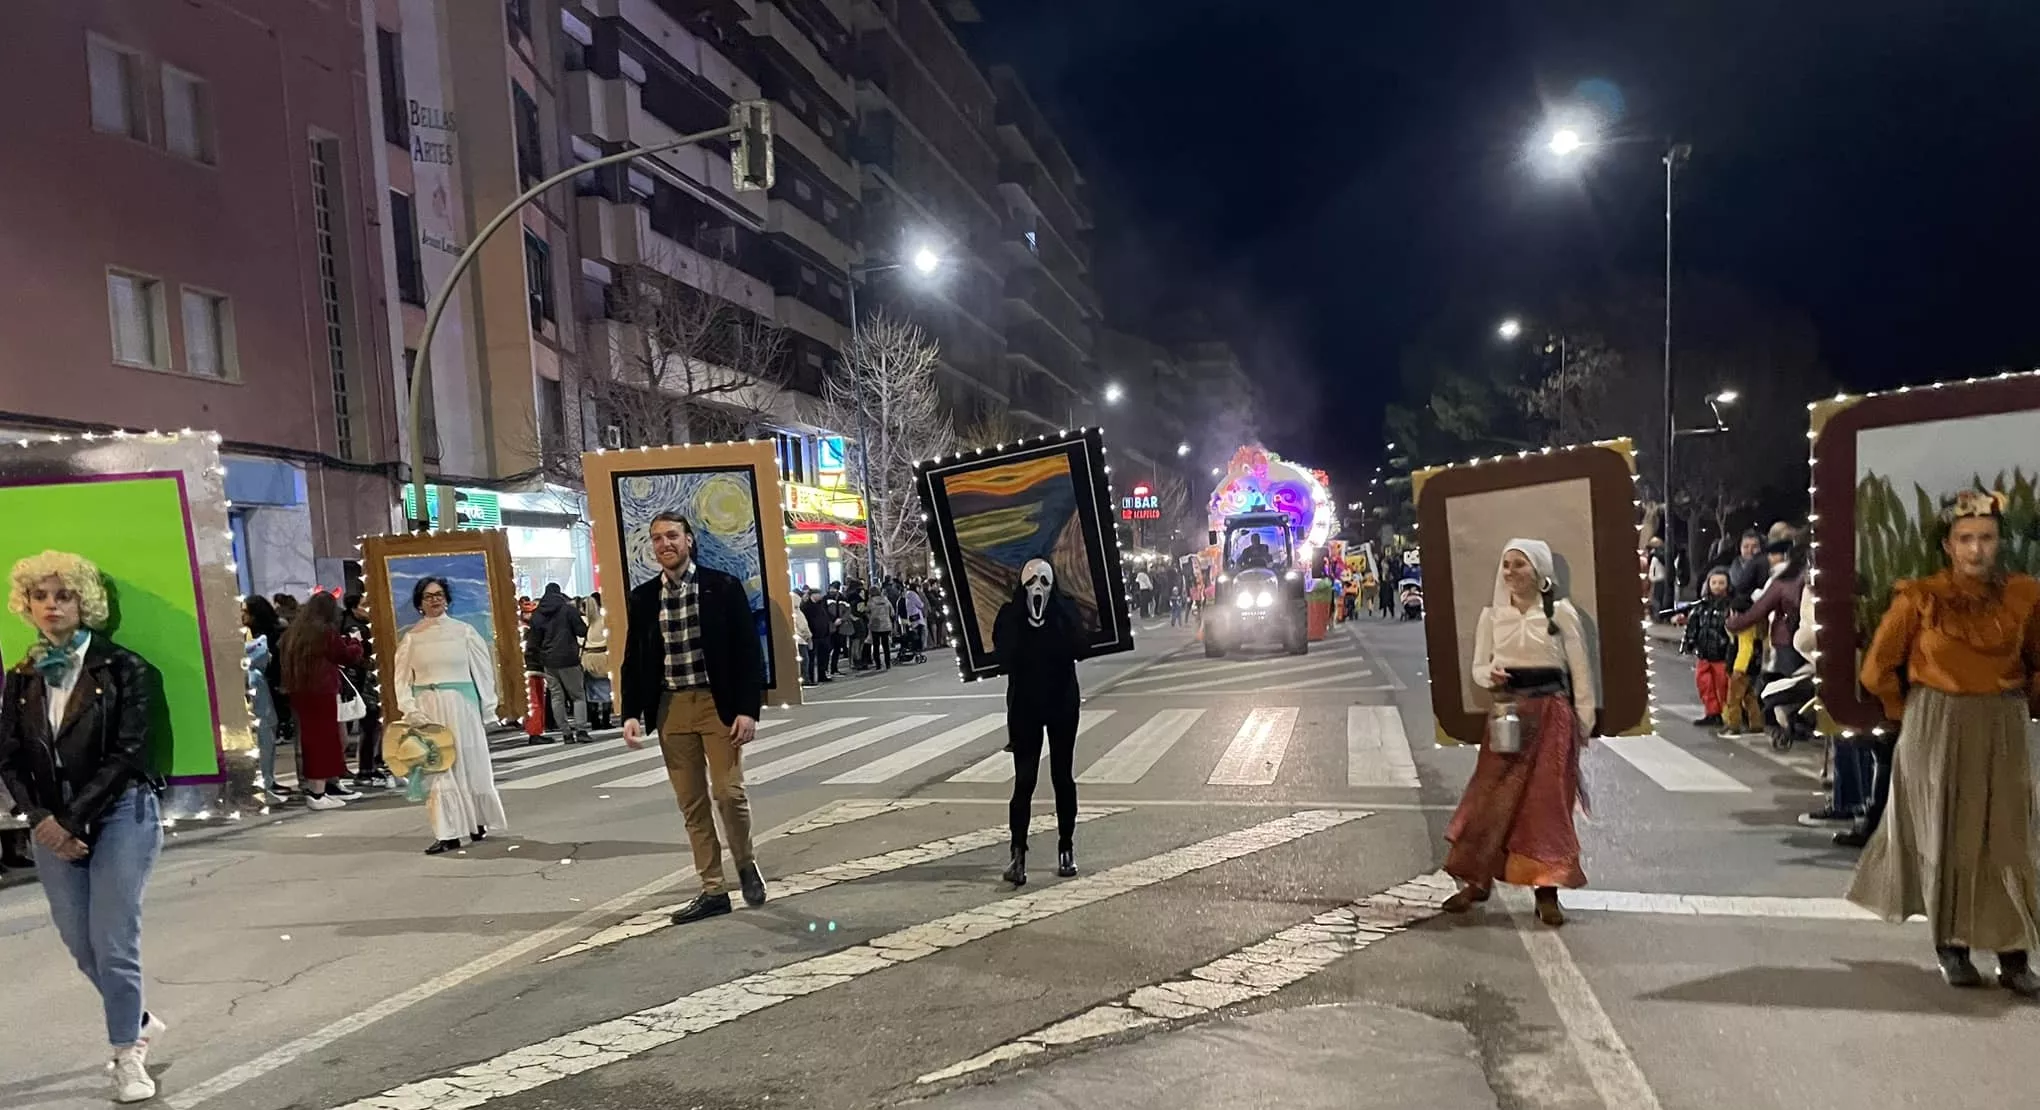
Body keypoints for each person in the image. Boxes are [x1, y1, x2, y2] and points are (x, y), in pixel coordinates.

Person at [1847, 490, 2040, 995]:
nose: (1977, 550)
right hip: (1937, 725)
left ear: (2000, 543)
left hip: (2003, 725)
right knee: (1947, 836)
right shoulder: (1921, 598)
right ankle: (1950, 947)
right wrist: (1908, 713)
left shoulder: (2024, 596)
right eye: (1966, 539)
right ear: (1949, 546)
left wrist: (2021, 707)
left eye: (1987, 539)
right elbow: (1876, 669)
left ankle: (2014, 955)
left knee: (2010, 838)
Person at [0, 552, 169, 1101]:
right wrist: (40, 818)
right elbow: (7, 757)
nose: (51, 606)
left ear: (84, 603)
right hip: (52, 819)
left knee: (113, 939)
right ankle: (138, 1018)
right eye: (41, 596)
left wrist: (72, 819)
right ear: (27, 604)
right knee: (80, 942)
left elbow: (128, 754)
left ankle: (127, 1054)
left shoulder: (125, 669)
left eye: (63, 595)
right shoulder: (21, 676)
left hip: (122, 811)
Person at [620, 512, 767, 924]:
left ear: (689, 540)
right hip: (670, 708)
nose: (664, 544)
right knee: (692, 804)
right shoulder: (644, 597)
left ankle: (745, 863)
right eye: (657, 539)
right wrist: (630, 712)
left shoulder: (722, 587)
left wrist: (747, 709)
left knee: (728, 794)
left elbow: (746, 652)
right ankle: (713, 889)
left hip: (715, 704)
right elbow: (634, 659)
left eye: (671, 536)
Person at [1441, 539, 1595, 927]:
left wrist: (1584, 721)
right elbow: (1478, 667)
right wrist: (1488, 674)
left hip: (1552, 715)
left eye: (1519, 565)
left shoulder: (1560, 614)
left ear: (1540, 572)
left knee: (1547, 805)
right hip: (1507, 713)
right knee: (1489, 798)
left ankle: (1547, 890)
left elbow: (1580, 672)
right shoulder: (1492, 618)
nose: (1510, 572)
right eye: (1506, 565)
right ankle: (1476, 881)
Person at [391, 576, 510, 854]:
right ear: (420, 603)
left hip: (462, 706)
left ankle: (477, 821)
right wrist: (410, 709)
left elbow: (483, 672)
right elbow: (401, 680)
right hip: (428, 710)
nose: (435, 600)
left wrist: (488, 708)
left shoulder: (464, 632)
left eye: (439, 595)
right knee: (439, 767)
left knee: (469, 763)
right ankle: (448, 832)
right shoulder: (412, 639)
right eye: (428, 596)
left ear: (446, 599)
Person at [994, 558, 1090, 886]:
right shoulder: (1011, 615)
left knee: (1062, 777)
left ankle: (1066, 848)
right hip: (1026, 707)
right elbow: (1002, 656)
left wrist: (1059, 615)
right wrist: (1022, 622)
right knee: (1025, 782)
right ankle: (1017, 854)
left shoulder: (1065, 610)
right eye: (1032, 581)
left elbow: (1081, 645)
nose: (1037, 587)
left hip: (1061, 703)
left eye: (1044, 581)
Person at [279, 593, 364, 809]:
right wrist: (356, 642)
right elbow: (345, 656)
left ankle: (320, 789)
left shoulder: (294, 633)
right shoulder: (324, 632)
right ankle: (318, 794)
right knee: (324, 741)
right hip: (322, 691)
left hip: (300, 692)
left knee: (311, 742)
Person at [529, 583, 591, 743]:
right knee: (577, 695)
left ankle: (566, 734)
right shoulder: (568, 609)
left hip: (548, 662)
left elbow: (534, 641)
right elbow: (581, 631)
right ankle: (581, 730)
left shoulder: (537, 614)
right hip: (569, 659)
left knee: (557, 697)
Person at [340, 591, 389, 786]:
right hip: (358, 682)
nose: (368, 609)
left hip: (366, 681)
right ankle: (364, 768)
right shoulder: (352, 627)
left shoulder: (368, 623)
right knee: (367, 723)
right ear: (353, 608)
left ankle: (369, 765)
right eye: (363, 605)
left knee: (372, 724)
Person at [1675, 568, 1734, 727]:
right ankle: (1711, 712)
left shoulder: (1730, 606)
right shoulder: (1701, 606)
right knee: (1705, 684)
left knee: (1722, 686)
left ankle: (1724, 713)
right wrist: (1688, 643)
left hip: (1722, 654)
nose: (1717, 586)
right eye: (1714, 583)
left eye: (1721, 583)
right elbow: (1693, 626)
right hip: (1704, 653)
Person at [243, 595, 289, 799]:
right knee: (261, 737)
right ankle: (264, 781)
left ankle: (267, 780)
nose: (242, 615)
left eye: (245, 611)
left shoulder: (273, 633)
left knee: (266, 735)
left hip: (271, 688)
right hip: (259, 691)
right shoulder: (246, 634)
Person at [580, 592, 614, 730]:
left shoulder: (583, 621)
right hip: (603, 656)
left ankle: (594, 719)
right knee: (606, 688)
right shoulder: (604, 620)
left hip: (587, 657)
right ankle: (606, 719)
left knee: (590, 689)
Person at [867, 587, 896, 671]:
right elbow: (892, 612)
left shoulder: (871, 601)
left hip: (875, 625)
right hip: (886, 625)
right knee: (886, 645)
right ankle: (887, 663)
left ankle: (878, 665)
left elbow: (867, 611)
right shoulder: (885, 600)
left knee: (876, 646)